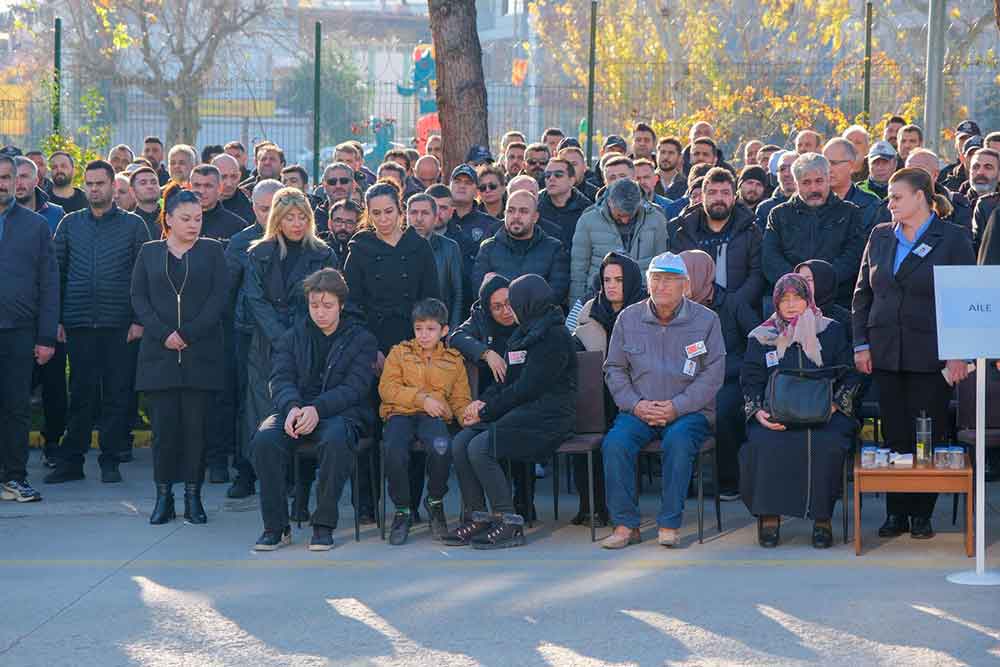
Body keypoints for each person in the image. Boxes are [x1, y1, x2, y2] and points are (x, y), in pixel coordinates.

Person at [852, 168, 976, 540]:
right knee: (894, 434)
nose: (889, 203)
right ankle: (896, 512)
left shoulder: (951, 238)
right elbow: (862, 294)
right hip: (885, 350)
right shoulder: (880, 236)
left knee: (928, 432)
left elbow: (964, 297)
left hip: (931, 354)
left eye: (896, 196)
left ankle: (921, 513)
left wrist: (959, 354)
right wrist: (861, 343)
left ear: (921, 196)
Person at [600, 252, 724, 549]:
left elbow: (714, 373)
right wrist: (636, 404)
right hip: (639, 408)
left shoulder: (706, 320)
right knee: (615, 444)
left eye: (670, 280)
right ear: (647, 284)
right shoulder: (628, 318)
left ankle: (669, 524)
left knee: (679, 442)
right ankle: (625, 525)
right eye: (656, 279)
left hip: (688, 412)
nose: (662, 286)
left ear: (685, 284)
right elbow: (614, 368)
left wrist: (676, 407)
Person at [443, 274, 577, 549]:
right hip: (521, 411)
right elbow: (507, 380)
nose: (509, 310)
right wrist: (481, 404)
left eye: (513, 303)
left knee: (481, 446)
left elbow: (528, 388)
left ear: (529, 303)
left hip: (548, 418)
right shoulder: (525, 331)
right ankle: (477, 516)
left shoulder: (553, 336)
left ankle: (508, 520)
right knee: (460, 443)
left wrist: (488, 411)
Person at [250, 268, 378, 551]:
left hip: (342, 414)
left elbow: (355, 388)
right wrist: (293, 407)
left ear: (341, 305)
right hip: (295, 411)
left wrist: (317, 409)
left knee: (335, 440)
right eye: (314, 305)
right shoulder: (292, 336)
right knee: (264, 439)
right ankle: (276, 526)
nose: (320, 312)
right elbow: (280, 378)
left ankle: (323, 525)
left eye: (328, 306)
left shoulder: (361, 339)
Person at [46, 160, 150, 485]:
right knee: (80, 394)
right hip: (78, 324)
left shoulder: (134, 226)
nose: (94, 189)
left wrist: (138, 320)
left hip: (120, 325)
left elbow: (143, 277)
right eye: (89, 184)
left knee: (117, 395)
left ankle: (111, 460)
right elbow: (56, 273)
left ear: (113, 187)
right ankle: (72, 461)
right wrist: (58, 318)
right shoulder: (69, 224)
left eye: (100, 183)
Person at [739, 273, 862, 548]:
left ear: (809, 300)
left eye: (798, 298)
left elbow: (851, 375)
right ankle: (770, 516)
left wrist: (835, 405)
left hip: (824, 413)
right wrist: (757, 412)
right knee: (764, 442)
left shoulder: (829, 330)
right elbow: (750, 380)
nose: (792, 305)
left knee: (827, 443)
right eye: (785, 300)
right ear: (776, 303)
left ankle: (822, 519)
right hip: (776, 412)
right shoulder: (762, 336)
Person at [131, 187, 228, 524]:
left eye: (198, 218)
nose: (193, 225)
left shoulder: (213, 252)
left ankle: (193, 496)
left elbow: (219, 299)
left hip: (200, 353)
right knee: (164, 432)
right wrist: (163, 333)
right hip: (159, 356)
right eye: (185, 219)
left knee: (195, 430)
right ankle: (164, 497)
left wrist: (188, 333)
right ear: (168, 219)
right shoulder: (149, 252)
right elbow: (139, 298)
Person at [343, 183, 441, 521]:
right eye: (376, 213)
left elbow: (432, 302)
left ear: (400, 210)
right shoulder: (360, 249)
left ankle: (410, 504)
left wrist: (414, 350)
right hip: (370, 350)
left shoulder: (419, 248)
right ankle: (366, 504)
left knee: (411, 424)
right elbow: (351, 307)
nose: (383, 219)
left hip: (413, 348)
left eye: (389, 212)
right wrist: (371, 351)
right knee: (368, 425)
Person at [243, 187, 337, 497]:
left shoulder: (323, 253)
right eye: (289, 218)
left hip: (309, 342)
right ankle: (274, 484)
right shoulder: (258, 253)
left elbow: (328, 299)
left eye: (302, 217)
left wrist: (296, 335)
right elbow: (254, 300)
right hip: (266, 346)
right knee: (266, 412)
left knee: (304, 406)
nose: (296, 224)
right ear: (277, 219)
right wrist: (279, 335)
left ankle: (302, 484)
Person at [379, 298, 472, 545]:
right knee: (394, 450)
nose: (423, 335)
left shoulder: (454, 361)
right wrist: (422, 399)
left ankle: (435, 501)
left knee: (442, 447)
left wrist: (466, 416)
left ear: (444, 331)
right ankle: (402, 510)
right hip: (401, 413)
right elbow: (387, 388)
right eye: (418, 329)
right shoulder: (399, 353)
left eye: (430, 329)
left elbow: (460, 399)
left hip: (434, 418)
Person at [571, 252, 648, 524]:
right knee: (581, 422)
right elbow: (575, 348)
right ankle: (590, 505)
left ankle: (617, 507)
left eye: (619, 279)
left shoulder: (645, 310)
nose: (612, 285)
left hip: (635, 393)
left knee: (617, 436)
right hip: (597, 392)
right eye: (606, 280)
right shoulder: (589, 310)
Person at [679, 250, 760, 502]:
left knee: (722, 411)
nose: (681, 284)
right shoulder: (678, 308)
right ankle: (683, 480)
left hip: (729, 378)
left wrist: (730, 368)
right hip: (689, 379)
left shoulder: (732, 303)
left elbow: (758, 339)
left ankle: (728, 480)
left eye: (686, 277)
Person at [0, 154, 58, 502]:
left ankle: (14, 478)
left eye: (7, 177)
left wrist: (46, 336)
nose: (3, 183)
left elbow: (49, 284)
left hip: (19, 333)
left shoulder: (36, 226)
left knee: (17, 408)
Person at [223, 179, 282, 499]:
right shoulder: (240, 243)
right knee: (245, 403)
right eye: (263, 209)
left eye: (275, 208)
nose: (269, 215)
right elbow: (228, 293)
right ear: (253, 208)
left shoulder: (296, 240)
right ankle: (244, 471)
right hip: (247, 334)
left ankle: (284, 474)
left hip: (286, 338)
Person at [762, 153, 865, 308]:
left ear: (828, 179)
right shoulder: (779, 215)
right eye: (806, 182)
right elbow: (770, 258)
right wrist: (799, 284)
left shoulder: (850, 213)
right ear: (796, 184)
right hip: (790, 301)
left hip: (838, 301)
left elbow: (853, 256)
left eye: (819, 181)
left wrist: (821, 283)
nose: (814, 188)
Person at [669, 167, 764, 309]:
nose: (719, 198)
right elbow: (675, 274)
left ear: (734, 197)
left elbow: (757, 275)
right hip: (694, 310)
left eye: (725, 193)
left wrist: (734, 304)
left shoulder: (751, 231)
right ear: (703, 195)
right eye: (712, 192)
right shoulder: (684, 231)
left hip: (739, 310)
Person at [570, 178, 669, 306]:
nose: (625, 220)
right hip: (599, 299)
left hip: (642, 300)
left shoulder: (656, 219)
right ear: (609, 202)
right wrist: (576, 306)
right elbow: (578, 270)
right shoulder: (587, 220)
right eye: (620, 215)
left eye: (630, 215)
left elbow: (660, 266)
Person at [473, 190, 570, 306]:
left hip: (538, 320)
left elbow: (556, 293)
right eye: (511, 211)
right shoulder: (488, 248)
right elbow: (479, 291)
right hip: (497, 320)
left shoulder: (554, 249)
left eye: (523, 211)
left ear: (535, 217)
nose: (516, 216)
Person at [406, 194, 463, 328]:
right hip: (404, 327)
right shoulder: (396, 246)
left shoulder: (450, 247)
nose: (419, 219)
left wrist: (452, 331)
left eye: (425, 213)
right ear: (406, 215)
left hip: (439, 327)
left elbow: (458, 294)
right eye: (414, 212)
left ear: (435, 217)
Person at [823, 138, 881, 232]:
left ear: (851, 165)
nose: (828, 169)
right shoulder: (814, 201)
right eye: (825, 163)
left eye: (833, 163)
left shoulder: (871, 206)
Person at [537, 156, 592, 254]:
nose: (551, 179)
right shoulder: (535, 206)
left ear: (572, 180)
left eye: (558, 175)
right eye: (547, 175)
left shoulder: (587, 210)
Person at [212, 153, 254, 224]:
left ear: (239, 176)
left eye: (233, 176)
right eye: (223, 177)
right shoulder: (199, 204)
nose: (229, 183)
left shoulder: (250, 209)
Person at [320, 198, 361, 269]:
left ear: (357, 225)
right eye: (338, 221)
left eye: (349, 222)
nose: (343, 227)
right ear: (329, 223)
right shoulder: (318, 248)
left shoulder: (362, 251)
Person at [129, 166, 163, 240]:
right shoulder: (127, 222)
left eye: (154, 182)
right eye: (143, 183)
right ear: (132, 191)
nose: (150, 186)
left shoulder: (171, 219)